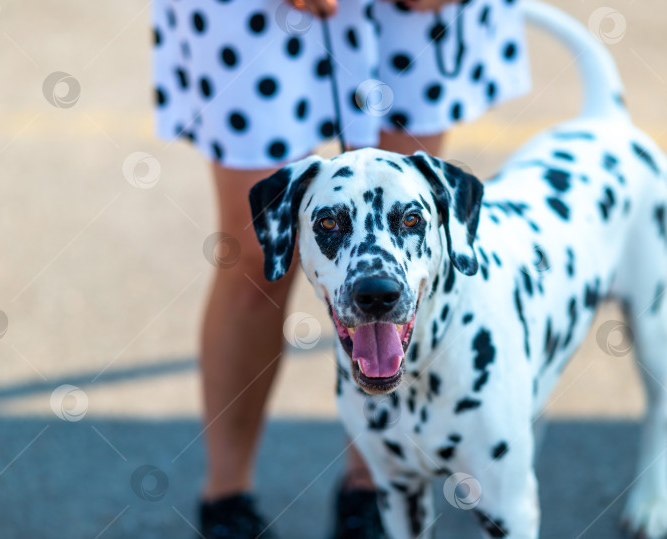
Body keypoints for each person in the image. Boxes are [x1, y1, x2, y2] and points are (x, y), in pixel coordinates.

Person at [152, 0, 530, 536]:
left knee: (401, 220)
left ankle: (372, 486)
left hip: (407, 14)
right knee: (257, 256)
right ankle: (227, 496)